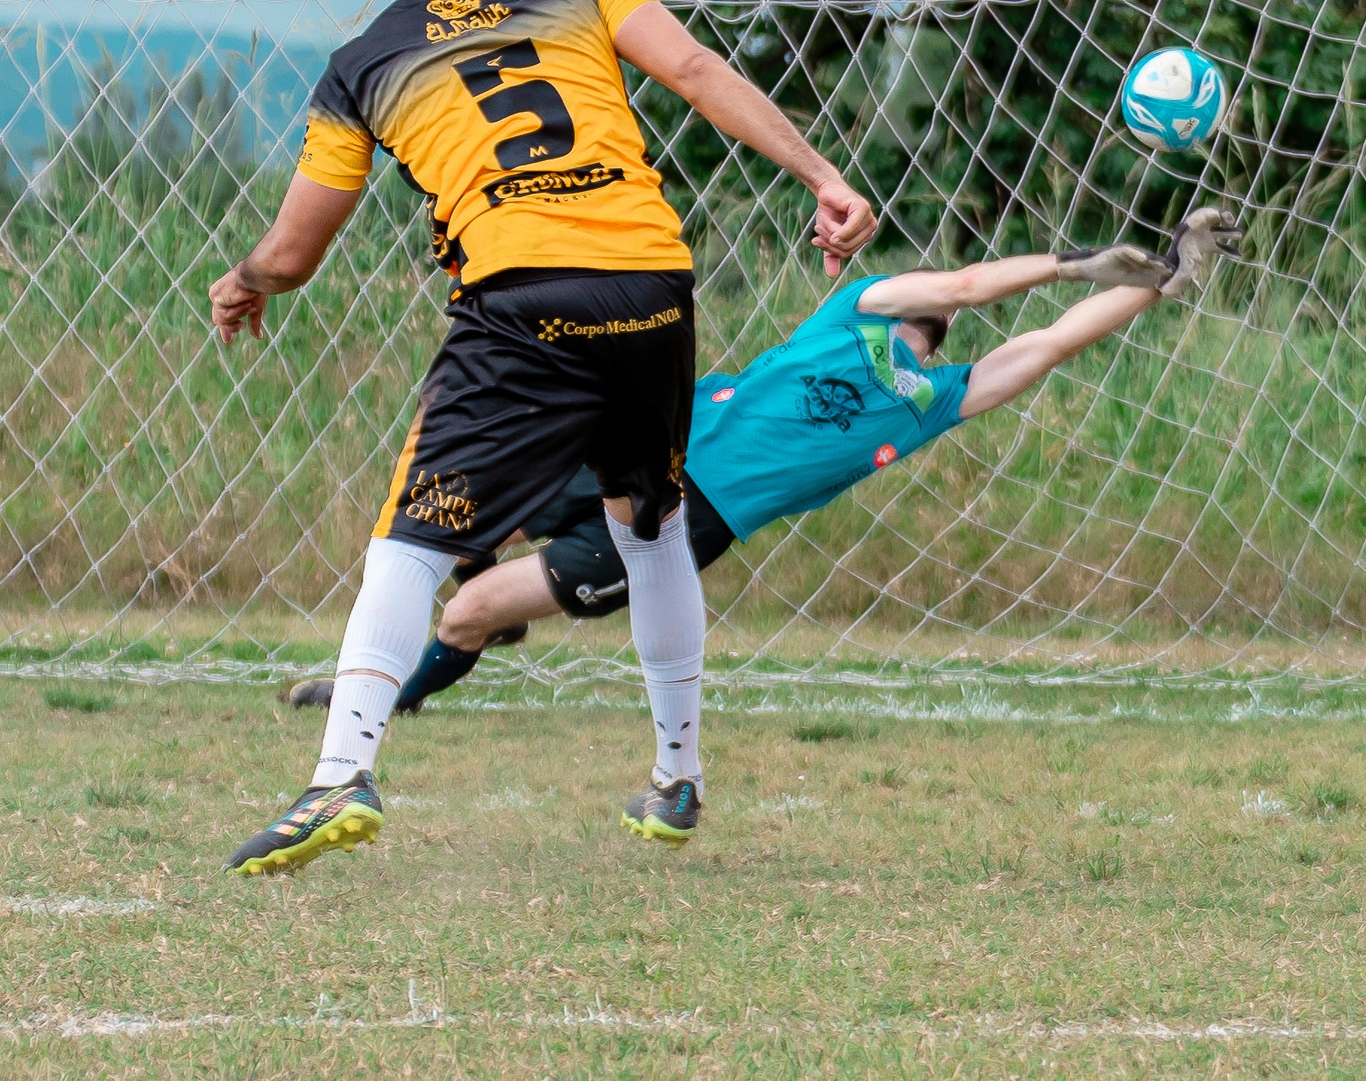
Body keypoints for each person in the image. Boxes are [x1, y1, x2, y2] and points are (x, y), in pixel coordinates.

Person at [211, 0, 876, 873]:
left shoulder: (363, 63)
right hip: (653, 285)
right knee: (648, 522)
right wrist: (822, 174)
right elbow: (696, 71)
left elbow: (296, 251)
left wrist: (247, 277)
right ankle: (676, 774)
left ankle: (339, 771)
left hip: (522, 298)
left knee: (411, 540)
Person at [289, 208, 1241, 745]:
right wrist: (1074, 263)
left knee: (467, 611)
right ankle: (421, 650)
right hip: (627, 442)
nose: (928, 313)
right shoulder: (853, 312)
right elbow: (961, 286)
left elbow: (1050, 345)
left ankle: (391, 692)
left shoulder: (936, 399)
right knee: (449, 519)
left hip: (687, 519)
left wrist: (1167, 279)